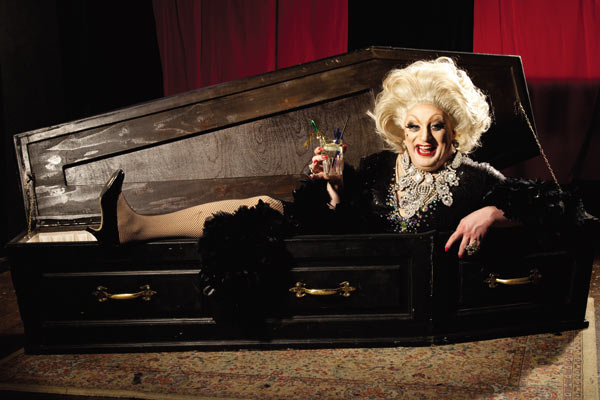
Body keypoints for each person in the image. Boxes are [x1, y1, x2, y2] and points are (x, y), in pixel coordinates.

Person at [87, 57, 585, 259]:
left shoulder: (477, 177)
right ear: (401, 130)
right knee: (264, 209)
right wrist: (334, 190)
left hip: (406, 290)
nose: (424, 138)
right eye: (413, 126)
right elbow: (344, 223)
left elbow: (564, 211)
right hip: (343, 262)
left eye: (436, 126)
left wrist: (493, 210)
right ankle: (135, 227)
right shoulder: (377, 167)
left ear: (454, 131)